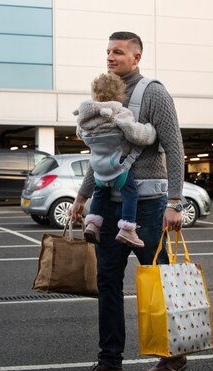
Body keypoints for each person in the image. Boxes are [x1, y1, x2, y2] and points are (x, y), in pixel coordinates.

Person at [69, 31, 186, 371]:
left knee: (158, 281)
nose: (110, 57)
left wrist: (175, 202)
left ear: (136, 57)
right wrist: (81, 196)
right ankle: (110, 364)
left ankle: (173, 354)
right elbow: (103, 158)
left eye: (117, 52)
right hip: (109, 206)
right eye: (107, 51)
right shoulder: (105, 98)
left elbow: (174, 147)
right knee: (107, 284)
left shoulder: (153, 92)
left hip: (148, 207)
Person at [74, 72, 156, 248]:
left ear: (95, 95)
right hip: (117, 168)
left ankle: (93, 225)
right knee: (130, 193)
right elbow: (137, 134)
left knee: (100, 194)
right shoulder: (119, 113)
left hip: (98, 171)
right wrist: (150, 129)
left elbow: (80, 133)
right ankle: (127, 228)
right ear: (119, 97)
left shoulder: (84, 118)